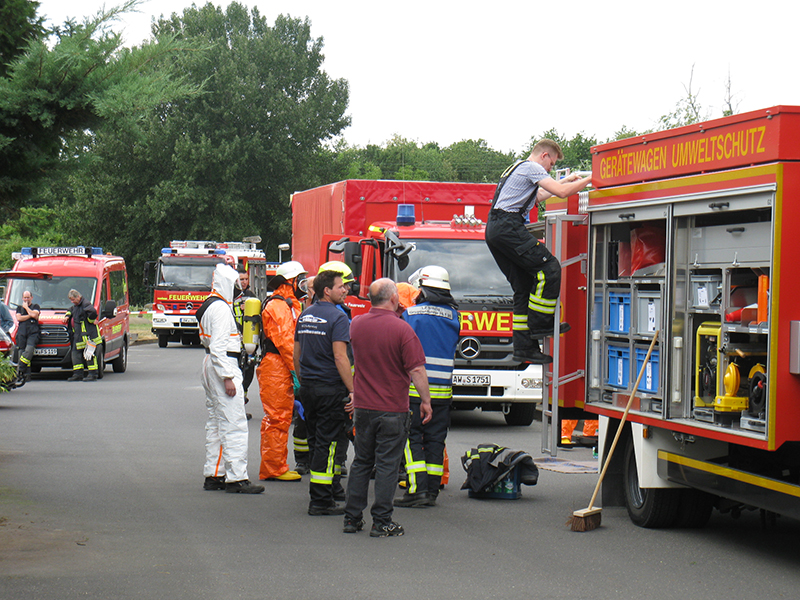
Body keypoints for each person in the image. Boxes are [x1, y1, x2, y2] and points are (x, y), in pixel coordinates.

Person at [485, 139, 592, 364]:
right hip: (507, 226)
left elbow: (541, 196)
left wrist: (568, 180)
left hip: (495, 230)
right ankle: (541, 323)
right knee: (549, 267)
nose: (550, 169)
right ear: (544, 156)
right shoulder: (532, 167)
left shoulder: (516, 168)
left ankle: (524, 348)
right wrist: (592, 179)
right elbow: (561, 193)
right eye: (551, 164)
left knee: (523, 286)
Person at [343, 279, 433, 538]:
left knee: (361, 461)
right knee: (387, 465)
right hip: (392, 408)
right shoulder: (402, 330)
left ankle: (352, 517)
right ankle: (382, 521)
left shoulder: (356, 324)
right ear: (394, 298)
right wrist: (426, 401)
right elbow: (416, 369)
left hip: (363, 407)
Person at [395, 266, 460, 508]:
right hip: (443, 392)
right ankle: (432, 491)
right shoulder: (455, 316)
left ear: (422, 288)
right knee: (435, 440)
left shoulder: (410, 314)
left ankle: (416, 489)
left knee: (412, 438)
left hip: (414, 391)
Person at [197, 263, 264, 494]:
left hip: (211, 364)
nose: (239, 288)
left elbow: (211, 347)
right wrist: (227, 376)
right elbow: (218, 347)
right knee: (234, 423)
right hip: (223, 363)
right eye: (236, 283)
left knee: (216, 422)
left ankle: (214, 474)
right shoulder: (222, 309)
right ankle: (237, 478)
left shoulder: (209, 305)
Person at [293, 270, 354, 515]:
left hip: (308, 387)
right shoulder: (338, 319)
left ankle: (322, 494)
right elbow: (340, 356)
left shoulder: (305, 315)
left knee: (316, 440)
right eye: (341, 287)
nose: (345, 290)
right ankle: (320, 500)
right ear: (327, 290)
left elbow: (296, 355)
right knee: (328, 445)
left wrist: (303, 381)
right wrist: (352, 390)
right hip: (330, 388)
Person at [256, 260, 307, 481]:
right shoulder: (278, 306)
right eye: (301, 281)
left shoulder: (288, 303)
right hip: (276, 366)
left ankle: (278, 464)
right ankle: (273, 468)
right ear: (290, 282)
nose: (303, 285)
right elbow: (287, 343)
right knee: (277, 418)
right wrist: (298, 371)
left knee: (282, 417)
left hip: (279, 365)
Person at [233, 267, 257, 420]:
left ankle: (242, 403)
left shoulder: (250, 296)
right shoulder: (230, 296)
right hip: (234, 342)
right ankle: (235, 407)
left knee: (248, 374)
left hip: (248, 342)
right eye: (241, 279)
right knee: (236, 375)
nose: (244, 282)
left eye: (246, 279)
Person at [64, 289, 102, 382]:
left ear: (78, 297)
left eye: (73, 300)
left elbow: (93, 313)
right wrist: (68, 315)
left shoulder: (85, 304)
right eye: (71, 300)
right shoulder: (76, 306)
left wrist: (91, 320)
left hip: (88, 336)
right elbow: (71, 309)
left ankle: (93, 374)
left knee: (89, 354)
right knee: (75, 354)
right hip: (79, 336)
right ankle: (77, 374)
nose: (72, 302)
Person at [15, 290, 41, 382]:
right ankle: (25, 375)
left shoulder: (36, 306)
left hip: (33, 333)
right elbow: (19, 318)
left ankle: (20, 368)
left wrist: (27, 308)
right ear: (22, 298)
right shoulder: (19, 308)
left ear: (31, 298)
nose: (26, 299)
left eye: (28, 297)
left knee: (28, 351)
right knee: (21, 352)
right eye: (25, 297)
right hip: (22, 333)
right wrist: (30, 315)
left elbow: (35, 315)